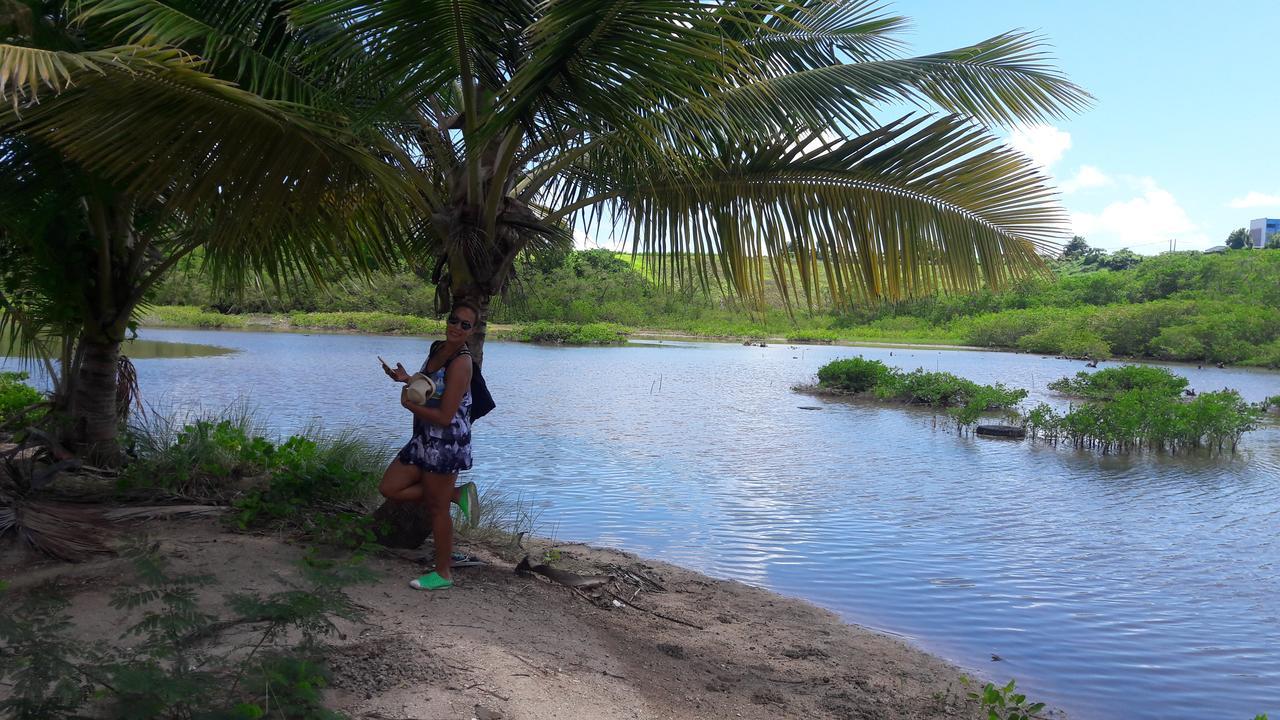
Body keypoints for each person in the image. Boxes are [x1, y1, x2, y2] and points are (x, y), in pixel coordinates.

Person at [378, 301, 482, 591]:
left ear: (472, 331)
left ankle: (443, 573)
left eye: (465, 325)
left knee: (437, 509)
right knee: (390, 487)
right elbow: (433, 385)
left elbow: (446, 417)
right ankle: (457, 493)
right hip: (426, 437)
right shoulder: (438, 348)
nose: (457, 327)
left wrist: (408, 404)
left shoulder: (462, 363)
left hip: (447, 442)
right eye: (454, 320)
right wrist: (407, 379)